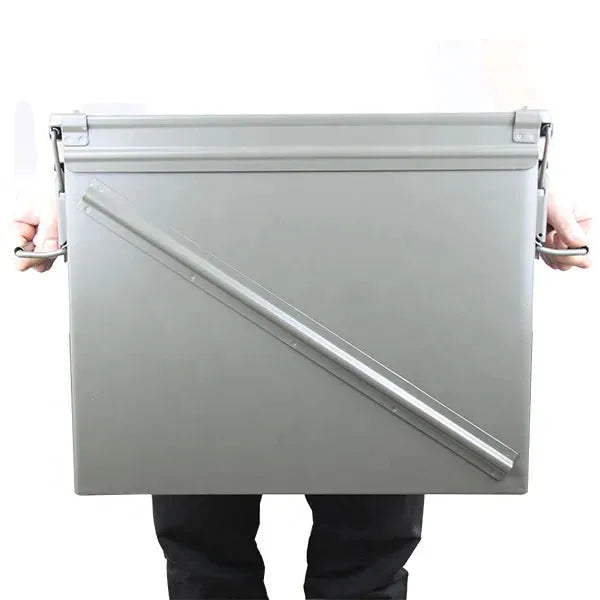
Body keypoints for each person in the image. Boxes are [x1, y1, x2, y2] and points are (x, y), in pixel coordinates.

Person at [12, 189, 592, 599]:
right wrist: (58, 180)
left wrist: (532, 181)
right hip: (179, 201)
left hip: (386, 213)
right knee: (205, 552)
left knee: (365, 555)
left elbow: (488, 68)